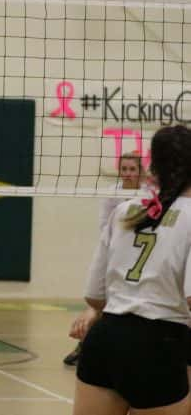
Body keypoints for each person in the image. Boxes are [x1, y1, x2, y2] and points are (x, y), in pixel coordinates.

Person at [69, 125, 191, 415]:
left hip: (105, 341)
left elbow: (95, 297)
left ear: (152, 167)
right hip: (159, 344)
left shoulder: (125, 211)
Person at [64, 152, 145, 366]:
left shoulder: (147, 194)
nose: (127, 174)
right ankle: (84, 346)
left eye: (132, 169)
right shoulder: (112, 193)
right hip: (115, 254)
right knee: (103, 303)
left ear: (140, 172)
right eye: (124, 169)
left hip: (140, 256)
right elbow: (104, 226)